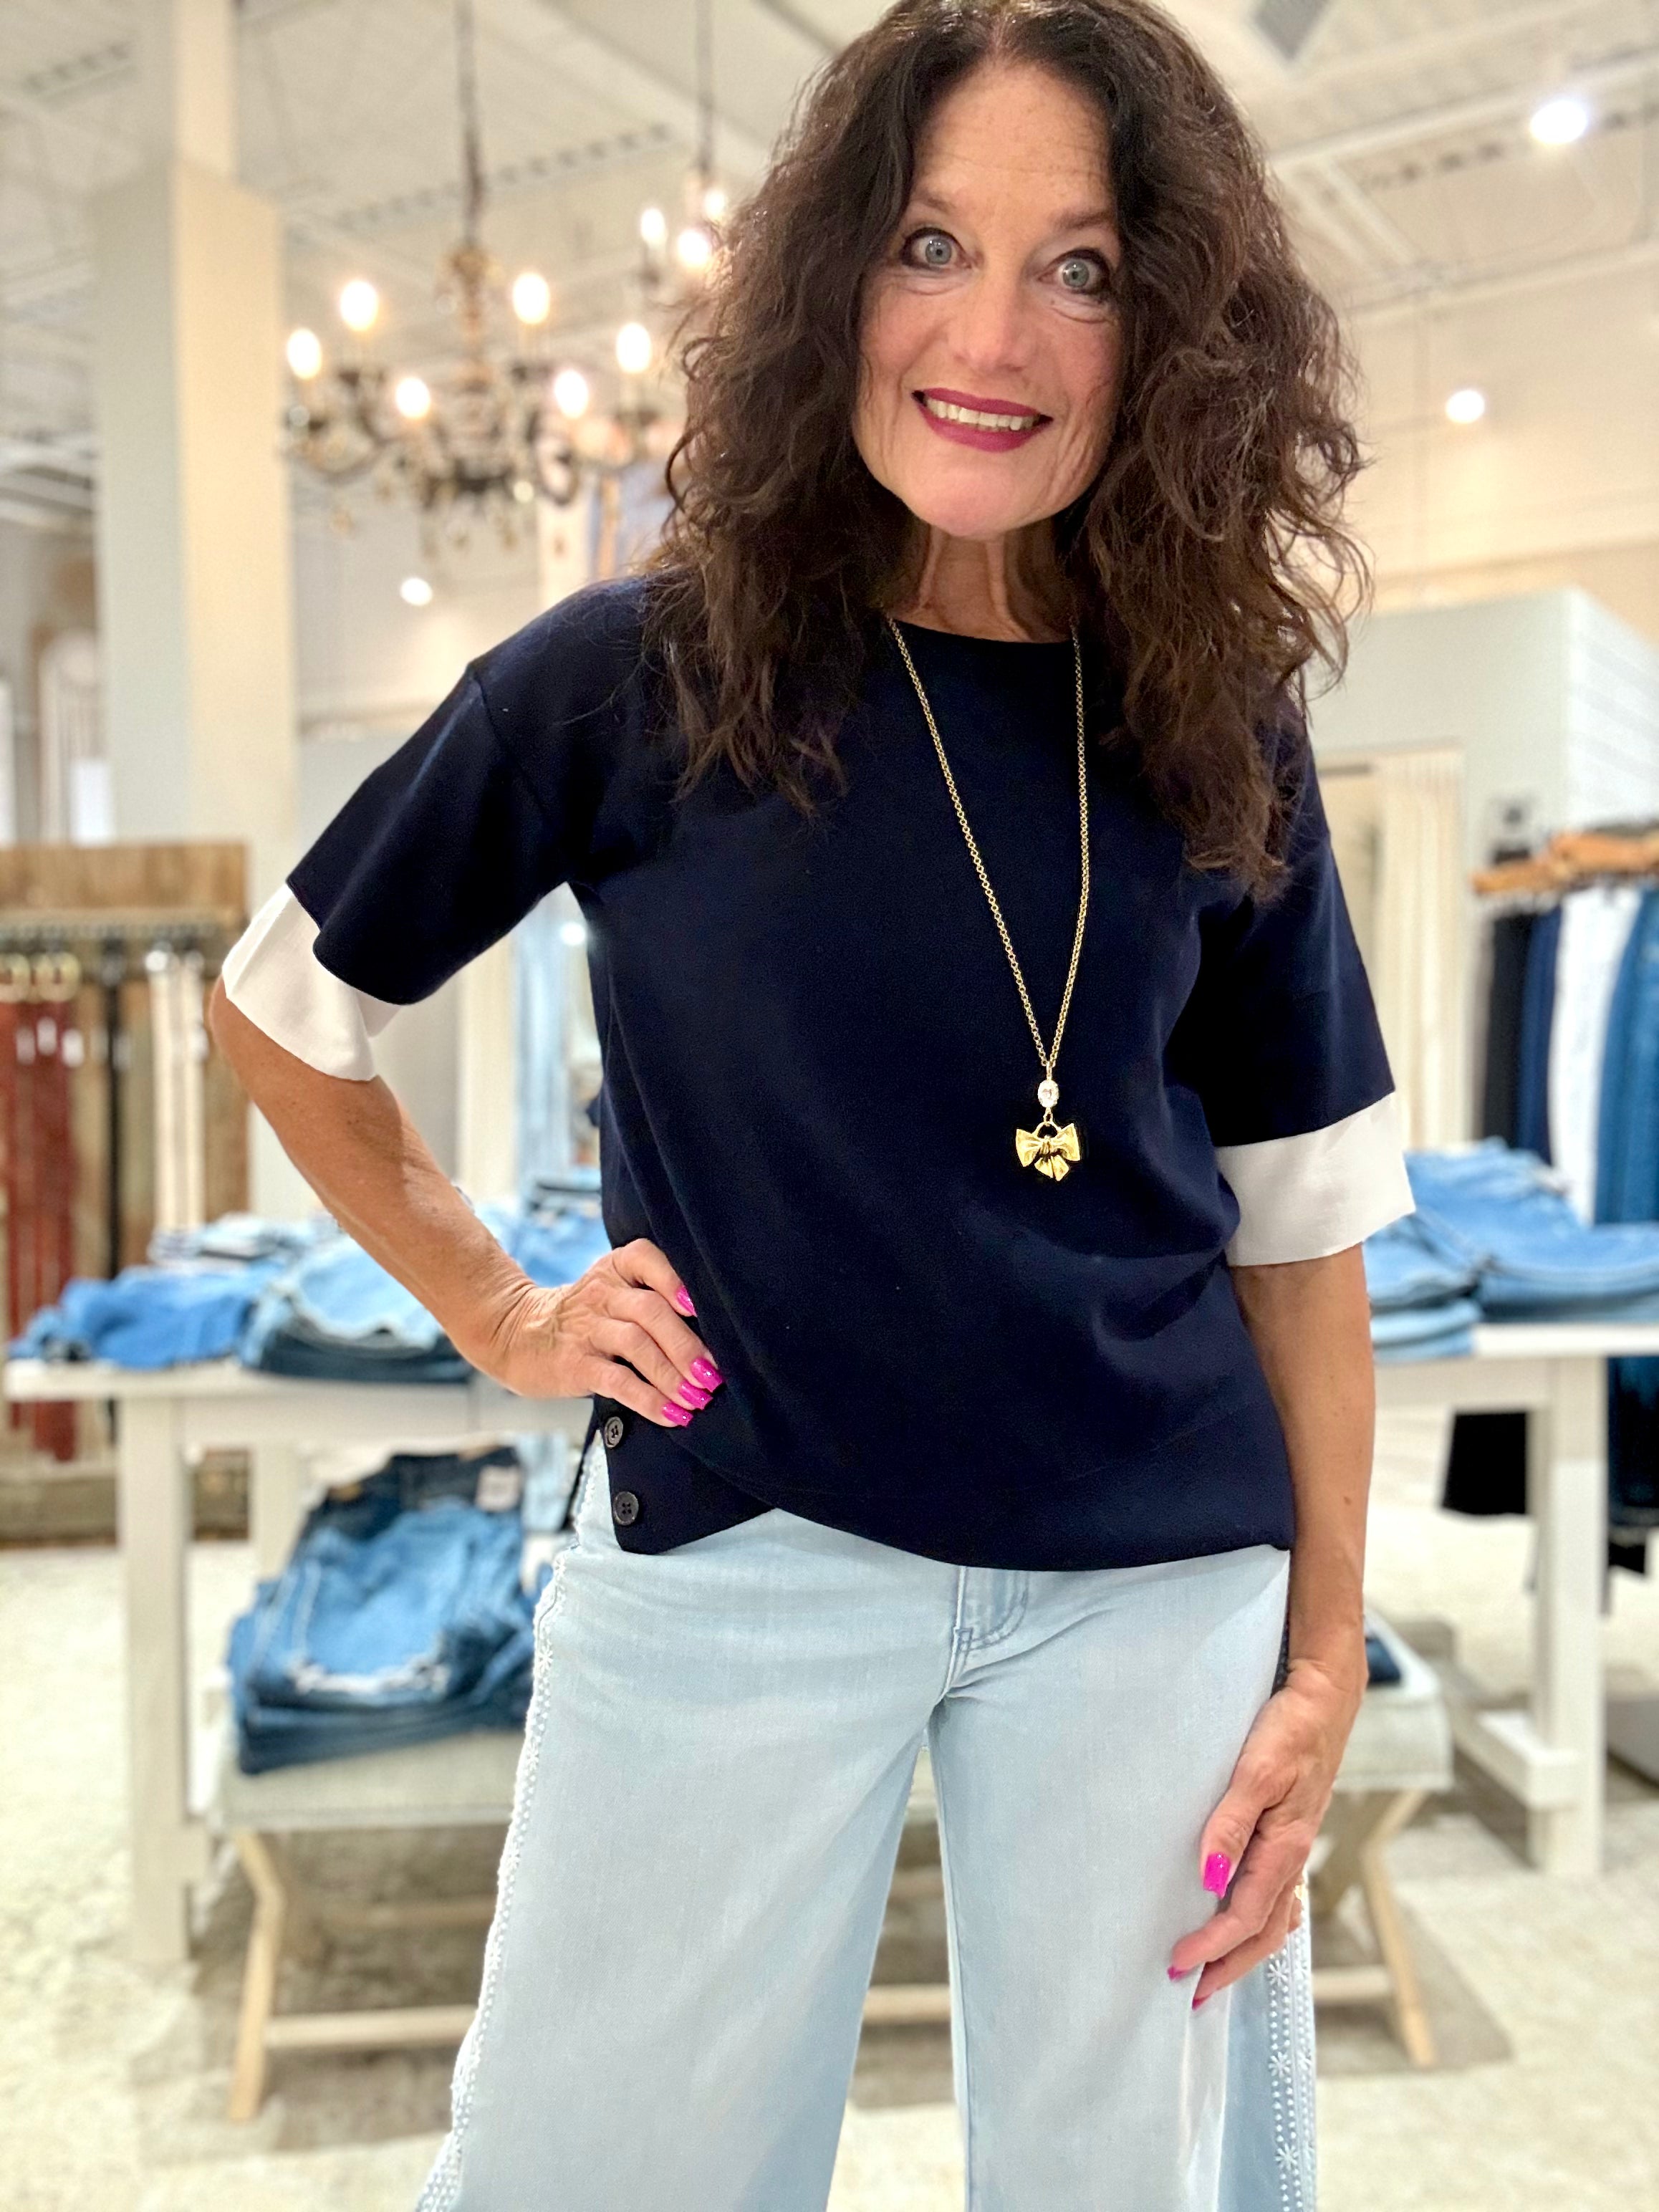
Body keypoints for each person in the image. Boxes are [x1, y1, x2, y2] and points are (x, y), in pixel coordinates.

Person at [212, 1, 1412, 2204]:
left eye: (1080, 269)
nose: (991, 335)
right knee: (595, 2165)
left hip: (1155, 1576)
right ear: (831, 277)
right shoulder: (635, 672)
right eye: (928, 244)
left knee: (1128, 2180)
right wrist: (495, 1309)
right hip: (736, 1526)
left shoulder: (1209, 717)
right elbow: (286, 1007)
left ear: (1172, 336)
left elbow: (1300, 1229)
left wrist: (1323, 1659)